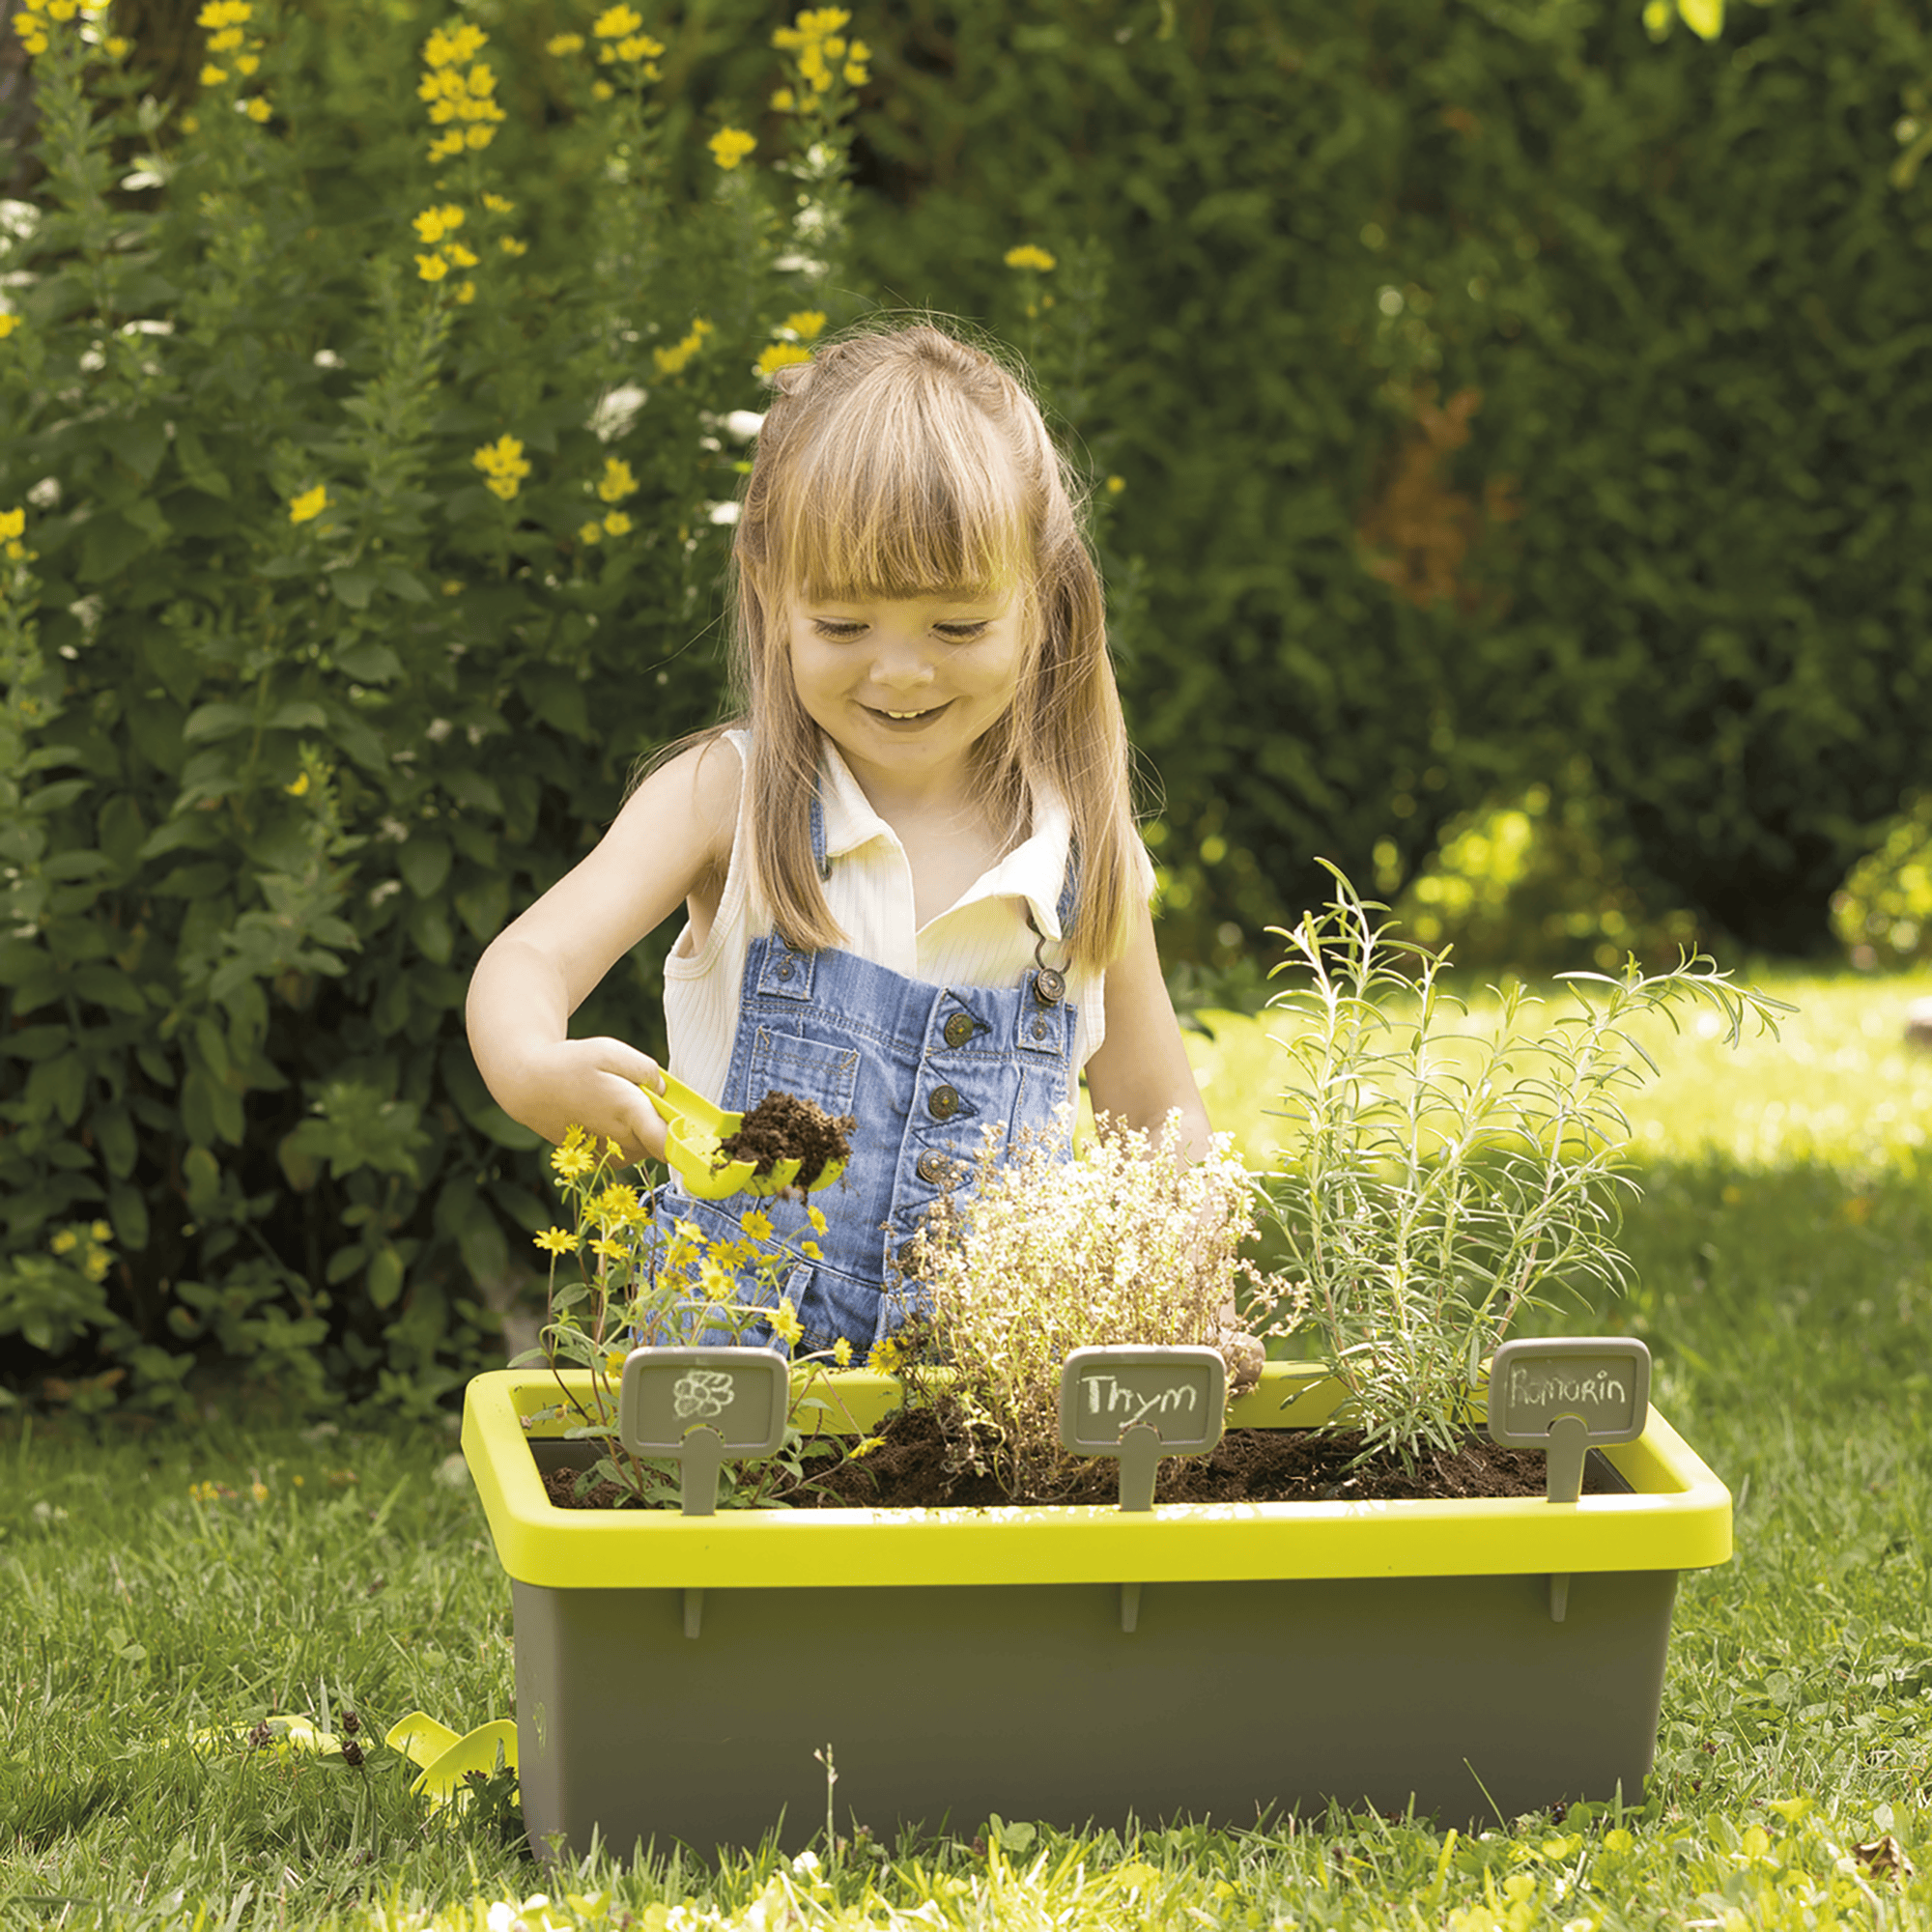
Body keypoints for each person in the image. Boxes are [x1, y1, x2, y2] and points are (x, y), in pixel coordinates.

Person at [466, 324, 1210, 1356]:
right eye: (844, 626)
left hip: (984, 1417)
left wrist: (1191, 1304)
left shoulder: (1077, 853)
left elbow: (1154, 1122)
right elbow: (530, 957)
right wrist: (528, 1060)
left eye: (955, 627)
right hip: (730, 1422)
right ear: (771, 590)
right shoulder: (723, 795)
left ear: (1039, 600)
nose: (900, 672)